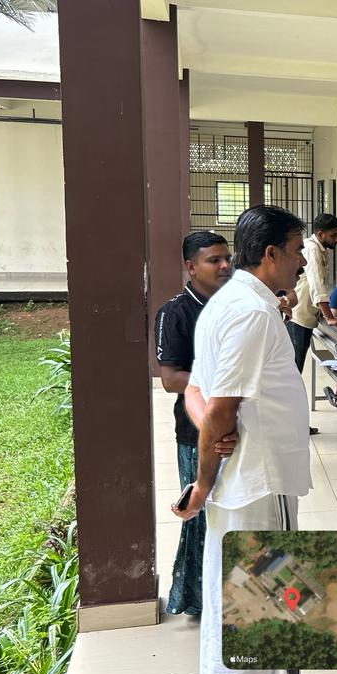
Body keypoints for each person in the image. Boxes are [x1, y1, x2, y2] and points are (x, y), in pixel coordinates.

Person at [174, 205, 314, 674]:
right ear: (271, 253)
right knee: (258, 610)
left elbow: (196, 391)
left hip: (246, 482)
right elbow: (218, 408)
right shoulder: (251, 313)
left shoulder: (229, 301)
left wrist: (214, 436)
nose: (302, 262)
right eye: (297, 251)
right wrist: (202, 483)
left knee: (238, 601)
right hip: (258, 483)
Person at [153, 231, 233, 618]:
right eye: (213, 260)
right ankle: (198, 599)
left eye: (227, 258)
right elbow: (170, 379)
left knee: (227, 512)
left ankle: (225, 593)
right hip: (195, 431)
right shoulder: (176, 312)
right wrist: (225, 382)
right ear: (191, 267)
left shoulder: (233, 305)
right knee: (201, 514)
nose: (224, 266)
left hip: (235, 426)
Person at [289, 213, 337, 435]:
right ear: (320, 234)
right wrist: (329, 317)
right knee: (293, 375)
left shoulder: (318, 248)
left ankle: (295, 424)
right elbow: (316, 286)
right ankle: (294, 425)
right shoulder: (311, 249)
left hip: (304, 316)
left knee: (294, 373)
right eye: (334, 235)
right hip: (300, 318)